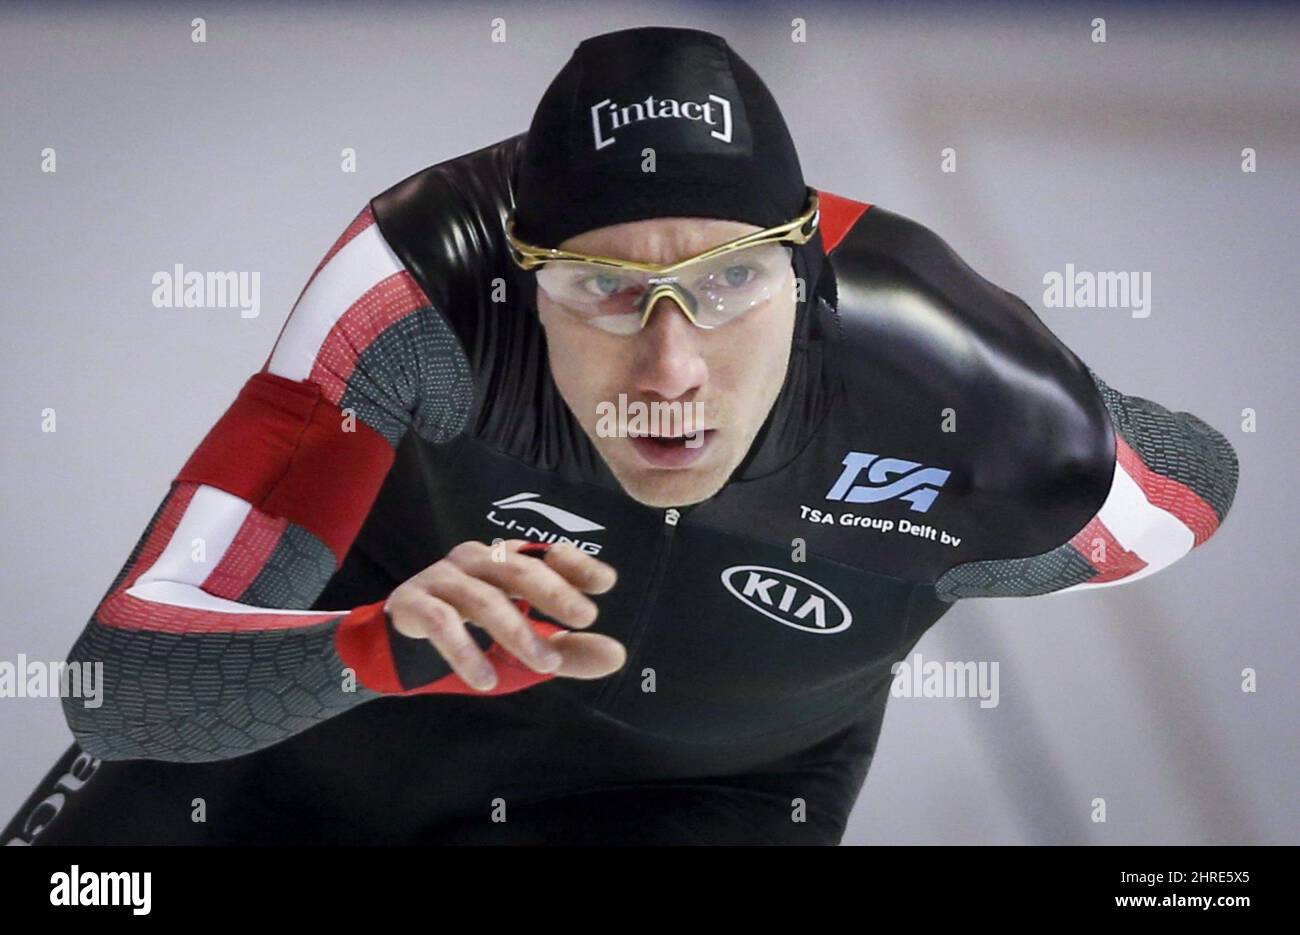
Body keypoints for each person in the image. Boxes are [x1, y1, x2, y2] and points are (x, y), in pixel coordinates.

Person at [3, 25, 1238, 846]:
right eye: (599, 287)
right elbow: (121, 688)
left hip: (694, 797)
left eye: (725, 284)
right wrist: (377, 645)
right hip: (321, 724)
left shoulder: (973, 397)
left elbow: (1191, 483)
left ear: (810, 283)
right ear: (518, 278)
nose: (670, 367)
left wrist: (946, 536)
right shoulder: (417, 295)